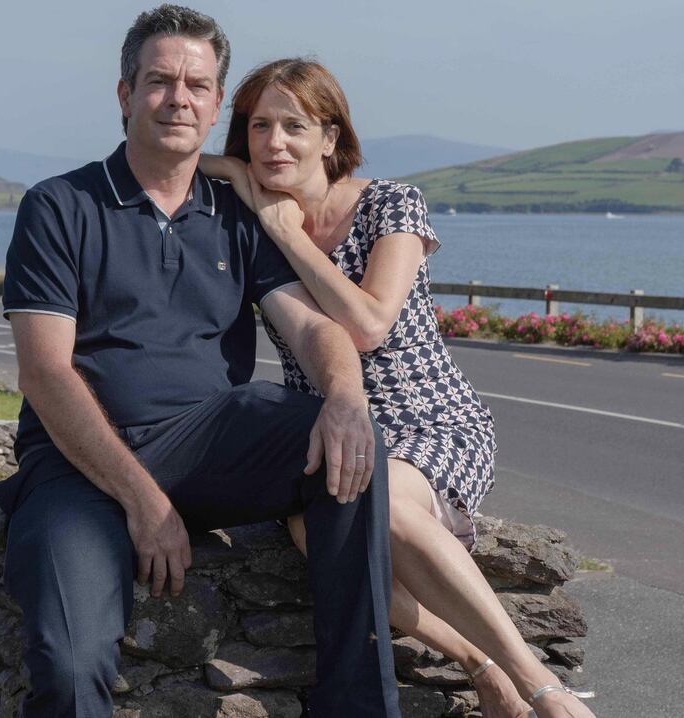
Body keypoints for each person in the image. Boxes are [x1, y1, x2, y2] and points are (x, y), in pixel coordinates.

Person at [0, 8, 403, 717]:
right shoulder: (60, 206)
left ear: (216, 106)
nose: (179, 97)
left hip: (208, 441)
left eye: (197, 84)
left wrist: (345, 395)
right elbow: (46, 374)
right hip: (78, 468)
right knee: (66, 663)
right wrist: (144, 501)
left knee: (347, 447)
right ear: (125, 95)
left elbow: (311, 328)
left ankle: (356, 705)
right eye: (159, 81)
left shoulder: (237, 211)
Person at [201, 58, 596, 718]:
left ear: (331, 137)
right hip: (332, 429)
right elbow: (178, 158)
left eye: (294, 126)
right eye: (258, 126)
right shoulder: (252, 217)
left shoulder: (389, 204)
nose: (274, 143)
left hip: (431, 421)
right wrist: (236, 175)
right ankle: (481, 663)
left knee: (378, 506)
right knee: (321, 540)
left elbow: (368, 324)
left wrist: (288, 235)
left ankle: (542, 687)